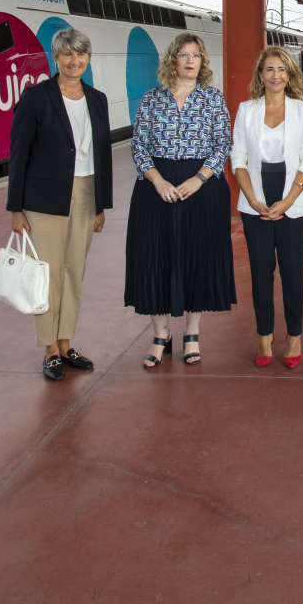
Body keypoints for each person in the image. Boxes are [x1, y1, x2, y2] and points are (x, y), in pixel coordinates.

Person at [6, 27, 113, 382]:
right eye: (68, 54)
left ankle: (66, 343)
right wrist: (15, 208)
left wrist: (101, 204)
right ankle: (49, 349)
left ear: (88, 58)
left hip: (85, 193)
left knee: (73, 272)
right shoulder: (36, 97)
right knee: (48, 274)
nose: (75, 61)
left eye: (81, 55)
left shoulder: (96, 99)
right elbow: (19, 155)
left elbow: (103, 155)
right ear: (56, 57)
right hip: (44, 199)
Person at [124, 32, 236, 368]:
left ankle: (191, 333)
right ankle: (160, 335)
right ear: (173, 58)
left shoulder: (213, 99)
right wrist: (156, 180)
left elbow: (223, 144)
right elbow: (138, 145)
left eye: (196, 55)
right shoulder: (151, 99)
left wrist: (198, 178)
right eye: (184, 54)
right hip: (155, 188)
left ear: (202, 62)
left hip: (200, 188)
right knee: (154, 257)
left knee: (196, 257)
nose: (190, 60)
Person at [231, 46, 303, 369]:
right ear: (260, 75)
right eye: (269, 69)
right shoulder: (246, 110)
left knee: (292, 274)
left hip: (292, 199)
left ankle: (294, 336)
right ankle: (264, 334)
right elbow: (238, 157)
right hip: (255, 198)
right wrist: (253, 200)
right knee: (260, 273)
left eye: (282, 69)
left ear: (290, 74)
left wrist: (288, 200)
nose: (276, 75)